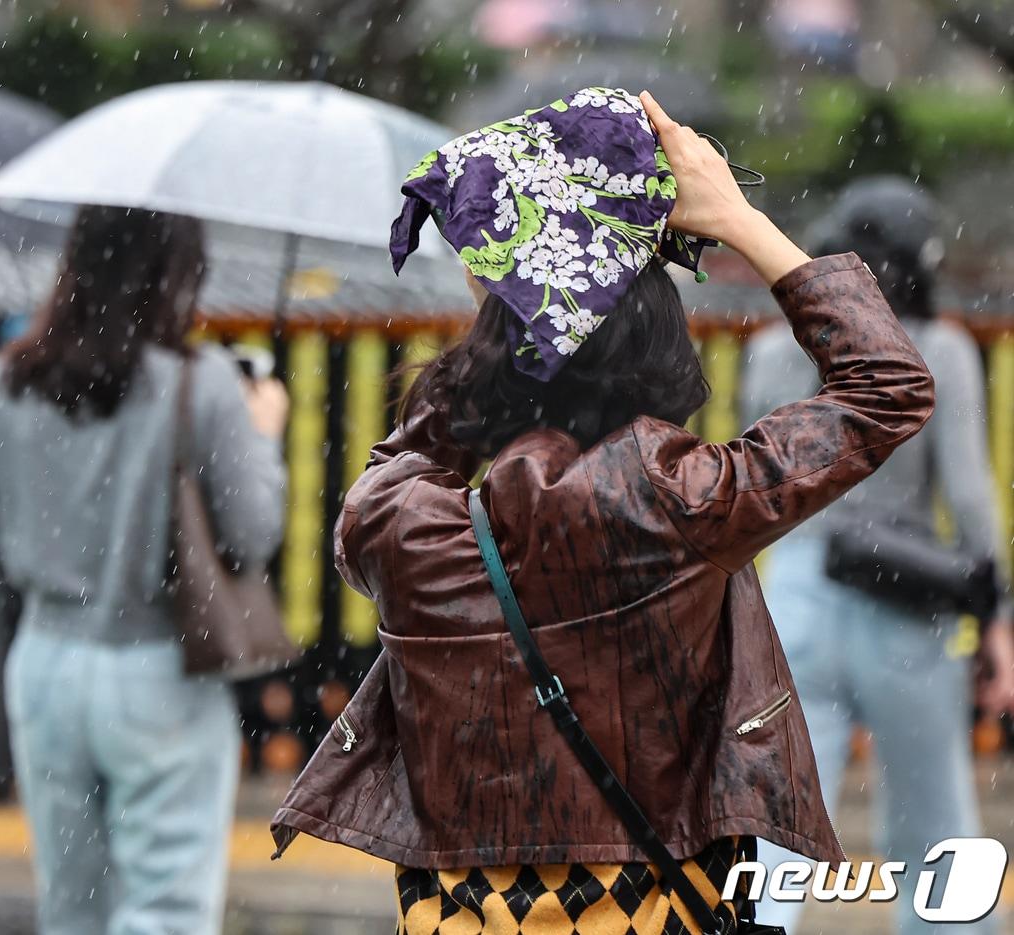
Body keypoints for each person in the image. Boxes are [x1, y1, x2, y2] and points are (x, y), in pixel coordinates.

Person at [271, 90, 935, 934]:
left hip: (454, 917)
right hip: (646, 913)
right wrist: (737, 218)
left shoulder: (402, 519)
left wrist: (512, 300)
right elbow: (887, 386)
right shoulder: (678, 501)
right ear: (660, 355)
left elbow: (404, 454)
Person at [0, 207, 289, 935]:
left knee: (73, 911)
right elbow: (253, 535)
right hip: (161, 672)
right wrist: (264, 437)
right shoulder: (205, 384)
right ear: (178, 274)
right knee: (165, 911)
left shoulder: (6, 382)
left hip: (44, 671)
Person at [742, 177, 1014, 935]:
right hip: (905, 601)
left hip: (794, 595)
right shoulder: (943, 349)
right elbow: (968, 501)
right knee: (936, 826)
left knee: (777, 828)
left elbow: (750, 495)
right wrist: (997, 621)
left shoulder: (771, 350)